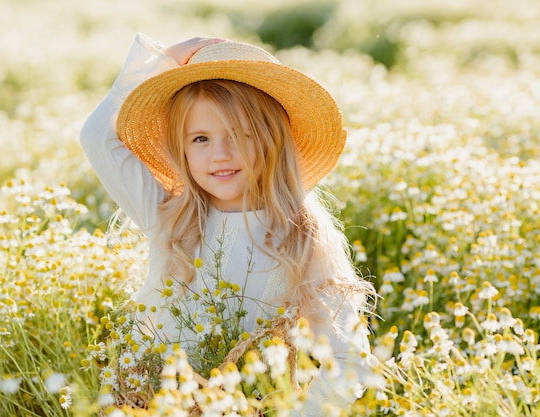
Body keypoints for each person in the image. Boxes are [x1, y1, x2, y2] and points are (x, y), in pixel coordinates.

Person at [80, 32, 376, 415]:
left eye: (240, 134)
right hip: (151, 404)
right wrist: (164, 61)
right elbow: (97, 136)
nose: (220, 154)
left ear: (273, 140)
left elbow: (350, 361)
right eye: (200, 138)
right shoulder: (169, 216)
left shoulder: (303, 236)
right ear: (180, 149)